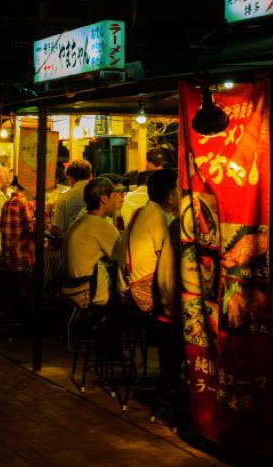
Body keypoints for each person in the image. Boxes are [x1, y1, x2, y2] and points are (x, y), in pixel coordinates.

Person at [118, 168, 183, 417]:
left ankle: (169, 385)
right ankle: (171, 388)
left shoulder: (143, 211)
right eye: (178, 189)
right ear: (170, 196)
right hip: (143, 299)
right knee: (180, 323)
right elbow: (168, 264)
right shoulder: (164, 220)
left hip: (128, 291)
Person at [62, 176, 122, 311]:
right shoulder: (100, 225)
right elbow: (123, 256)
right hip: (87, 293)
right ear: (104, 198)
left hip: (70, 287)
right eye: (114, 195)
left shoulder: (80, 221)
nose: (117, 200)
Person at [1, 175, 37, 322]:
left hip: (8, 259)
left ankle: (17, 315)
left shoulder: (7, 203)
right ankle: (30, 318)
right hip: (22, 259)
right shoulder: (24, 203)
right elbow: (32, 229)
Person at [49, 159, 92, 238]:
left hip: (74, 246)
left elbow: (56, 228)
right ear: (90, 176)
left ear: (70, 179)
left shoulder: (64, 197)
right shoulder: (101, 194)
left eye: (68, 179)